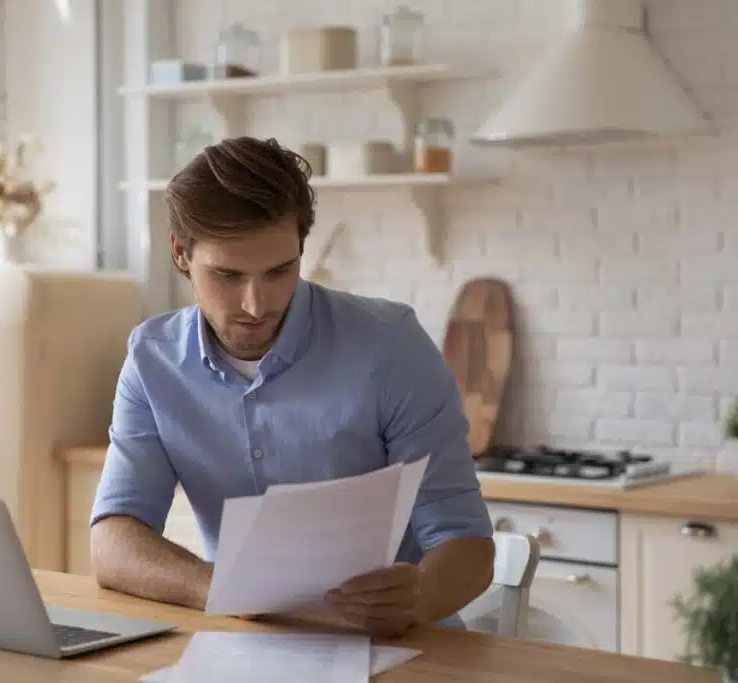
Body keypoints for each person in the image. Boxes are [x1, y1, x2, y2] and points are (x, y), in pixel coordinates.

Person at [89, 136, 494, 637]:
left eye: (279, 271)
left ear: (301, 248)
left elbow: (469, 548)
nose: (256, 305)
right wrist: (221, 589)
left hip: (402, 649)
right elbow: (113, 541)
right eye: (227, 275)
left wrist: (420, 596)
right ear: (180, 253)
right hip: (245, 646)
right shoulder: (152, 361)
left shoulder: (391, 347)